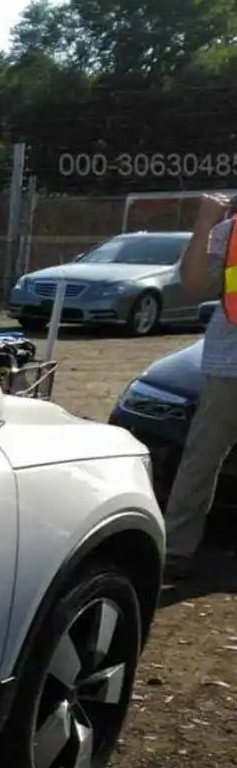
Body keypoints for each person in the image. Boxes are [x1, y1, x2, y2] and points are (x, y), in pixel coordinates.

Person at [164, 192, 237, 581]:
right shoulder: (227, 234)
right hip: (229, 368)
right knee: (200, 463)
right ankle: (174, 551)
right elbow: (192, 282)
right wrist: (204, 223)